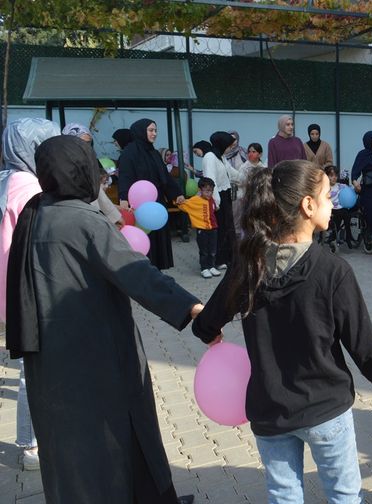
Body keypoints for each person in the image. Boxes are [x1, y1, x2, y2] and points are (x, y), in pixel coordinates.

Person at [191, 160, 372, 503]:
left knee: (284, 496)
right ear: (307, 205)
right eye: (326, 196)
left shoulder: (249, 264)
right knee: (344, 496)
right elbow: (362, 346)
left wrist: (207, 329)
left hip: (270, 409)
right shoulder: (333, 271)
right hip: (326, 409)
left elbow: (208, 320)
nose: (333, 203)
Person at [6, 135, 202, 503]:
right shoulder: (82, 220)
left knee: (67, 448)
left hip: (49, 359)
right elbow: (136, 273)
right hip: (98, 356)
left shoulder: (36, 213)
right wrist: (191, 308)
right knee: (119, 437)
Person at [0, 118, 60, 471]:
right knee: (32, 371)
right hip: (28, 292)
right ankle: (31, 444)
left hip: (9, 293)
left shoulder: (5, 181)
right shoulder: (31, 191)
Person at [118, 118, 185, 270]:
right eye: (151, 130)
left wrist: (176, 194)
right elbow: (125, 177)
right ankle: (143, 271)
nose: (154, 133)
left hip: (156, 205)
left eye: (155, 130)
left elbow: (164, 176)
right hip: (138, 206)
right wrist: (123, 198)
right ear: (141, 131)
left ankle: (157, 270)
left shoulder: (153, 152)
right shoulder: (129, 153)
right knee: (144, 238)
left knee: (158, 237)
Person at [203, 131, 241, 269]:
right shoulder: (210, 157)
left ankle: (228, 257)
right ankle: (217, 260)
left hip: (225, 195)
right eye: (228, 145)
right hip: (217, 198)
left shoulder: (221, 157)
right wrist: (216, 201)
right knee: (219, 230)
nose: (230, 148)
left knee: (228, 227)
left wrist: (249, 176)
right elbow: (210, 180)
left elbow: (232, 173)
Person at [177, 177, 220, 278]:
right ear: (200, 190)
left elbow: (214, 209)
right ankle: (204, 268)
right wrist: (179, 201)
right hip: (202, 230)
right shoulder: (195, 200)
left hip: (213, 228)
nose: (209, 193)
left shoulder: (211, 200)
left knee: (212, 249)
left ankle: (211, 266)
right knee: (204, 250)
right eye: (207, 191)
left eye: (211, 191)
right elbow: (183, 205)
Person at [323, 164, 350, 251]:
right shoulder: (324, 188)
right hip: (330, 209)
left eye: (335, 175)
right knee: (338, 216)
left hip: (340, 208)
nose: (334, 177)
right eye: (331, 176)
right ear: (326, 177)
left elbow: (349, 191)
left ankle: (348, 236)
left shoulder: (340, 186)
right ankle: (333, 236)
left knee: (346, 213)